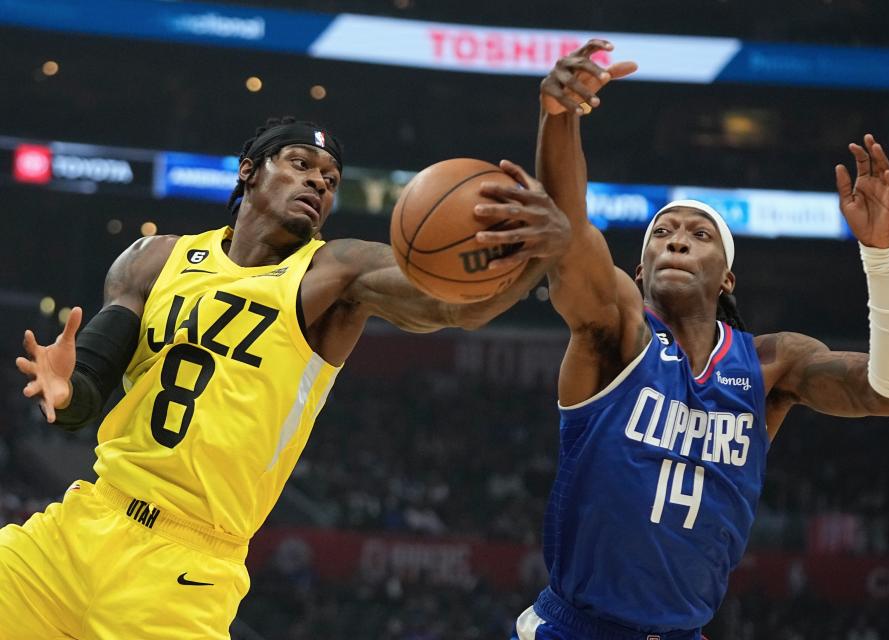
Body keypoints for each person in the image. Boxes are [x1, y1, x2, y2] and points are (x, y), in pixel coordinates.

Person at [2, 116, 571, 640]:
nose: (319, 183)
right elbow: (83, 399)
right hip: (81, 525)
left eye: (331, 179)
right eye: (301, 165)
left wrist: (540, 249)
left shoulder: (334, 274)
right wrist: (68, 390)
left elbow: (458, 308)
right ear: (249, 170)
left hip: (183, 564)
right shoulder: (153, 259)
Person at [512, 41, 889, 640]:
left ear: (727, 275)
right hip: (578, 629)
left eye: (698, 233)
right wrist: (559, 118)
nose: (676, 241)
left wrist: (882, 255)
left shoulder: (773, 362)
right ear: (638, 270)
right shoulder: (617, 333)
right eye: (661, 233)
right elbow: (568, 231)